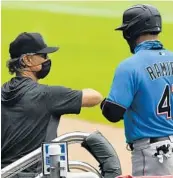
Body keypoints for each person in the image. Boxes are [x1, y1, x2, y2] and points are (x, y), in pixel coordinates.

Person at [1, 32, 103, 171]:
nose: (47, 60)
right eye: (43, 56)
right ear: (27, 60)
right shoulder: (48, 95)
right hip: (35, 175)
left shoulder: (2, 91)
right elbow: (95, 97)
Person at [100, 4, 173, 176]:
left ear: (130, 33)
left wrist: (102, 103)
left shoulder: (130, 66)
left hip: (154, 153)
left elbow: (112, 113)